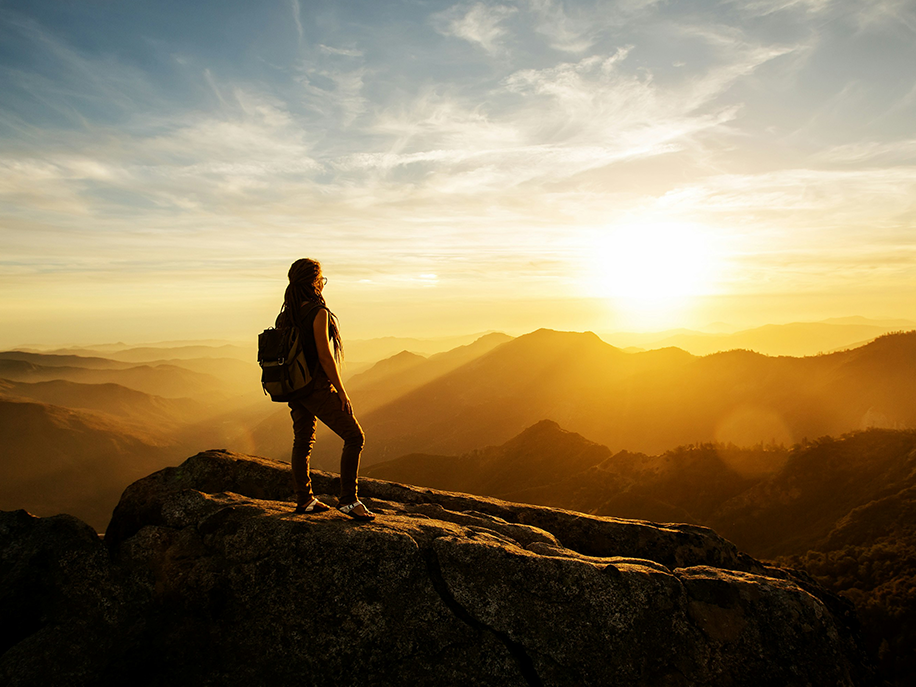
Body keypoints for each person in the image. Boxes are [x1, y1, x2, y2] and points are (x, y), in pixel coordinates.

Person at [276, 258, 374, 521]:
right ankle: (348, 500)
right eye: (321, 279)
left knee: (303, 441)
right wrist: (341, 391)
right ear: (314, 282)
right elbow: (324, 355)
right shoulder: (318, 313)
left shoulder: (286, 315)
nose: (322, 283)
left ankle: (304, 499)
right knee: (355, 437)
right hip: (316, 387)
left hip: (294, 388)